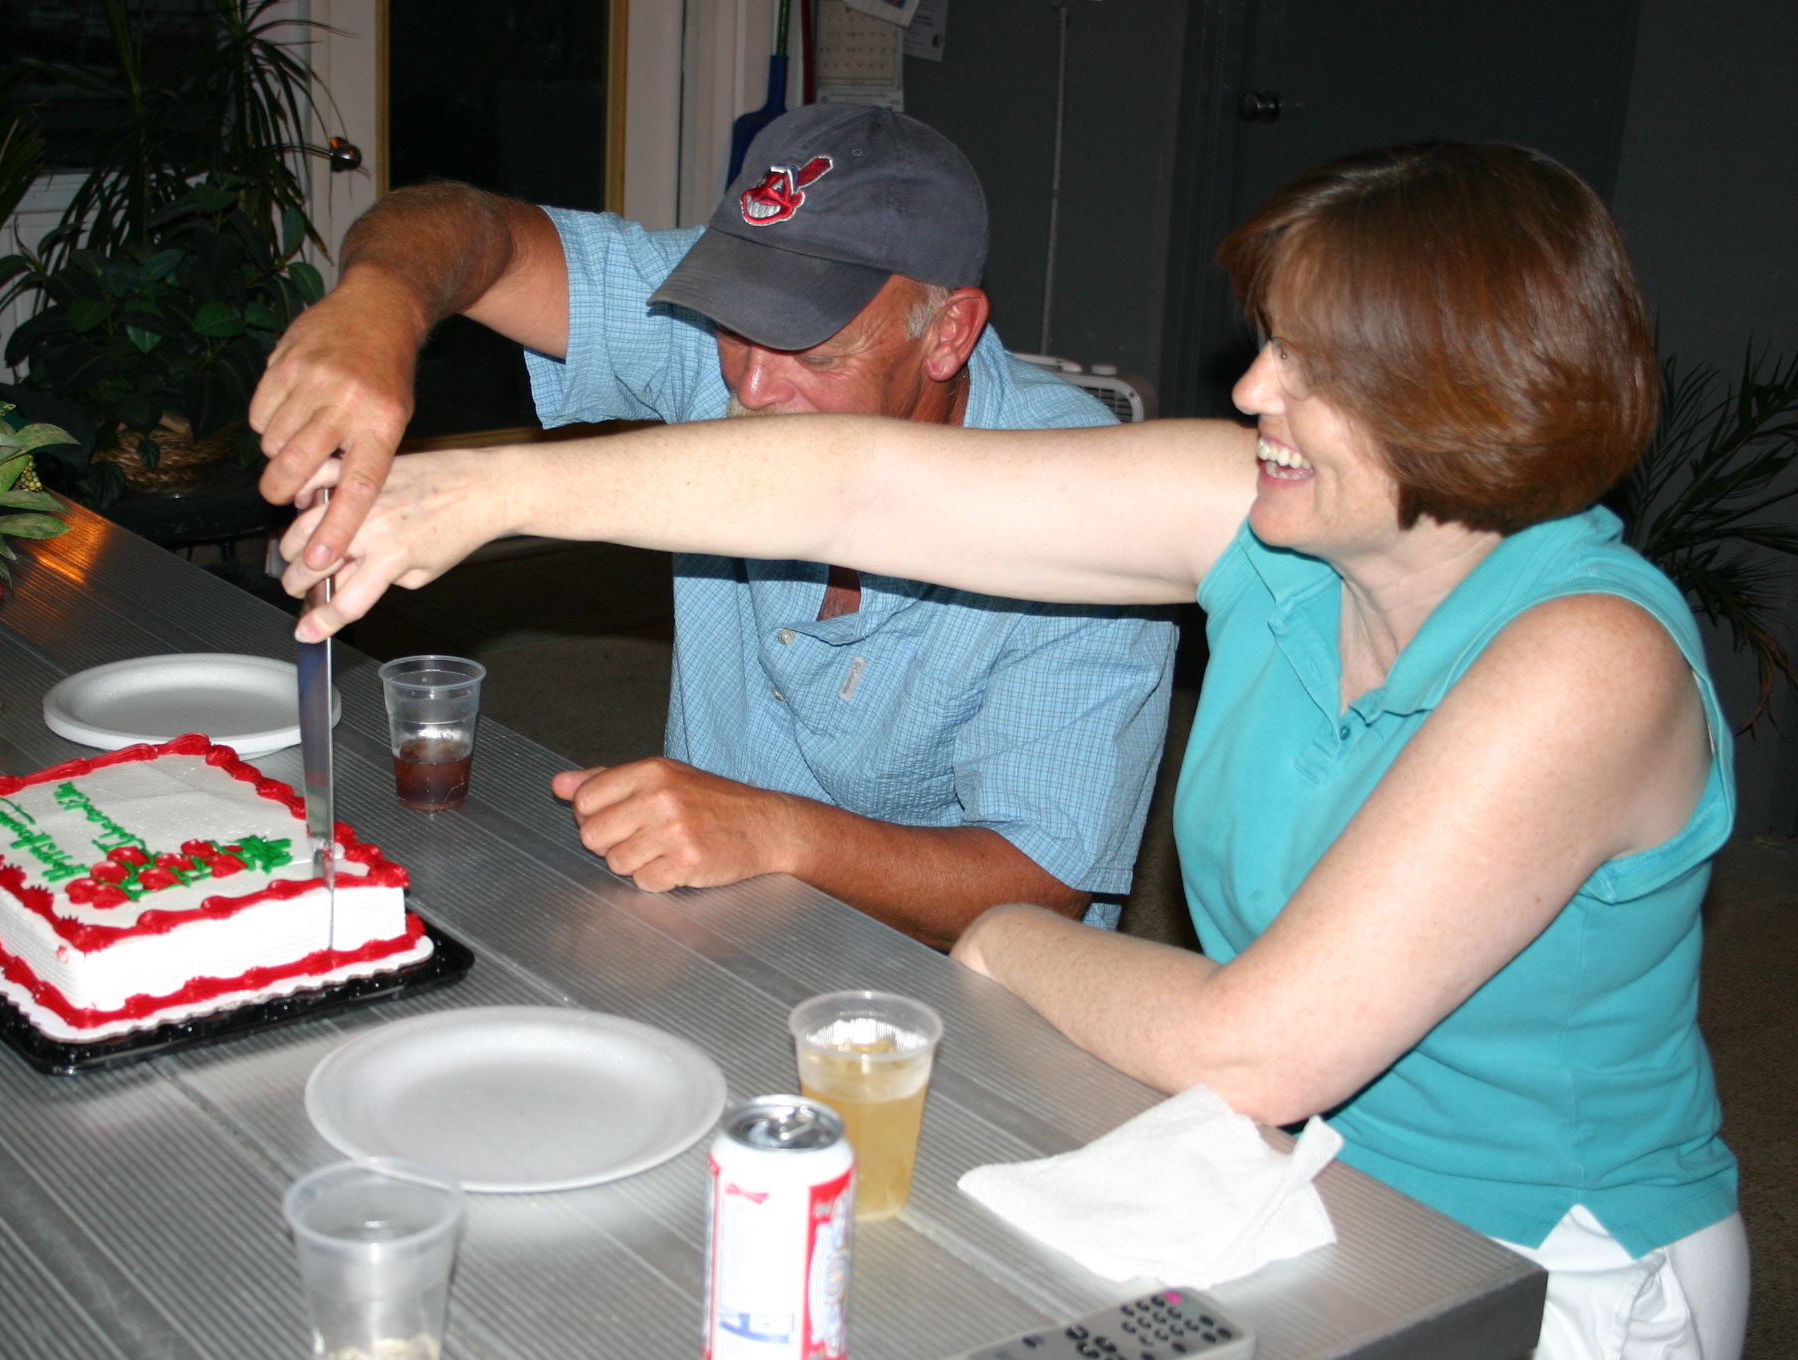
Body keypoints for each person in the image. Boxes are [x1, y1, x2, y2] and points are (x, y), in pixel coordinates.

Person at [280, 141, 1747, 1359]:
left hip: (1541, 1269)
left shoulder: (1588, 656)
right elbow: (862, 487)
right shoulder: (1261, 522)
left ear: (1462, 392)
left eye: (1310, 365)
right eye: (1269, 346)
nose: (1252, 390)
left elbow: (1254, 1045)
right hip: (1264, 1184)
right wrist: (476, 495)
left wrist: (997, 935)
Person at [252, 103, 1178, 947]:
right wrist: (381, 301)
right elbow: (475, 231)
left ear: (948, 333)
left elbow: (1041, 884)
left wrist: (777, 833)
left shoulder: (1090, 507)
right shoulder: (728, 339)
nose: (753, 386)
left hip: (948, 988)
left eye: (814, 350)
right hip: (694, 917)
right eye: (737, 326)